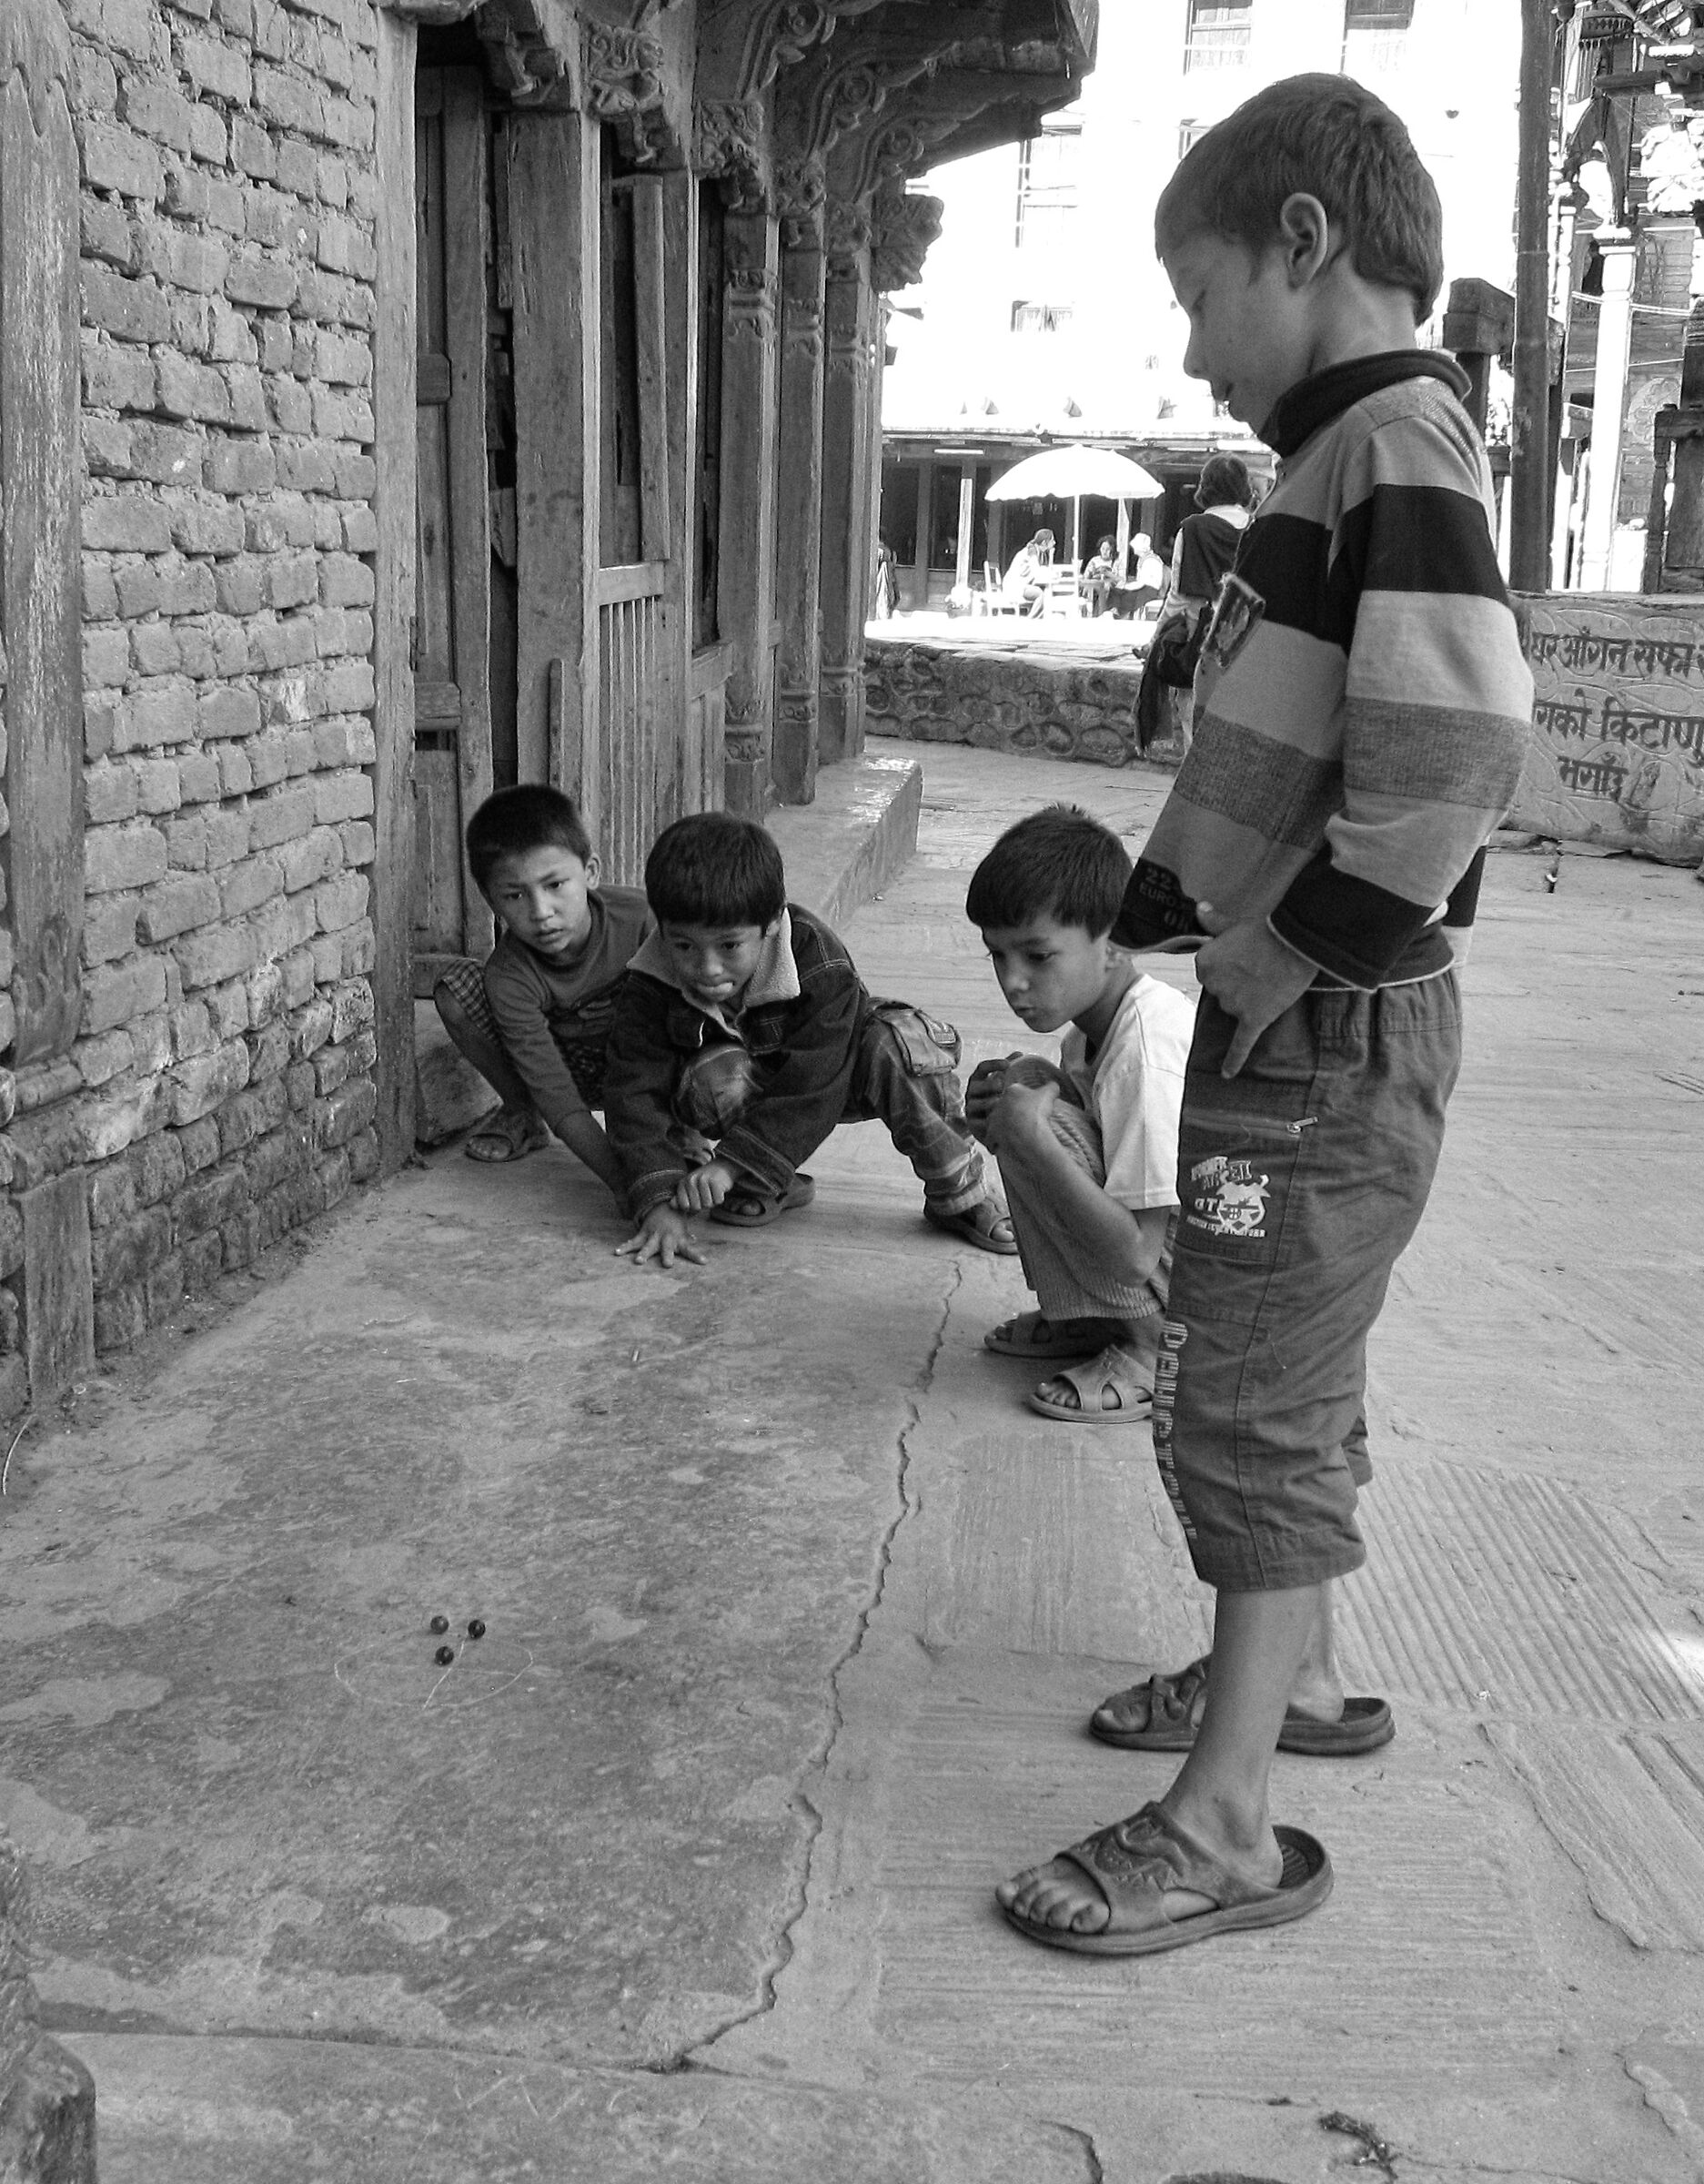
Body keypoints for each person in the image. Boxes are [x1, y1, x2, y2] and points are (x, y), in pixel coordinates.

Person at [997, 73, 1533, 1958]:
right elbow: (1297, 745)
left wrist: (1275, 960)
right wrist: (1167, 907)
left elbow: (1454, 756)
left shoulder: (1393, 441)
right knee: (1287, 1367)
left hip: (1318, 1036)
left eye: (1200, 288)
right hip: (1290, 1024)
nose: (1193, 341)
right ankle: (1289, 1687)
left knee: (1247, 1403)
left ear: (1303, 243)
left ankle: (1226, 1824)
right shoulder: (1350, 452)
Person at [603, 812, 1017, 1269]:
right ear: (662, 929)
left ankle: (959, 1194)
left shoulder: (818, 959)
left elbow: (815, 1082)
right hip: (753, 1083)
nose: (707, 968)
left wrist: (729, 1163)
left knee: (899, 1046)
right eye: (683, 946)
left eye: (729, 947)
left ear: (772, 926)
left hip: (840, 1071)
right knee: (711, 1077)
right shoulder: (649, 979)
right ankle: (766, 1180)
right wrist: (657, 1201)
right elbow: (632, 1092)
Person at [963, 806, 1195, 1425]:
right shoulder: (1088, 1035)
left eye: (1038, 957)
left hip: (1202, 1289)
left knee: (1036, 1120)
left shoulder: (1144, 1051)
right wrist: (1006, 1115)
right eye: (998, 956)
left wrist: (1032, 1140)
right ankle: (1091, 1320)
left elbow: (1134, 1258)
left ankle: (1149, 1348)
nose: (1013, 981)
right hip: (1162, 1258)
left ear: (1114, 942)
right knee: (1024, 1087)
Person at [432, 784, 647, 1199]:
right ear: (490, 899)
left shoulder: (643, 922)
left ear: (591, 873)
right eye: (515, 895)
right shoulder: (510, 976)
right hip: (561, 1066)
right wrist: (624, 1183)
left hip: (643, 1064)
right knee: (455, 991)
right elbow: (557, 1092)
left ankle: (682, 1130)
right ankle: (523, 1114)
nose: (540, 912)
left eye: (555, 885)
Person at [1141, 454, 1259, 755]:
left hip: (1202, 633)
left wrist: (1155, 639)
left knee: (1193, 708)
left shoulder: (1192, 529)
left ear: (1206, 487)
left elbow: (1179, 595)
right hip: (1249, 631)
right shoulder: (1257, 527)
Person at [1002, 527, 1055, 610]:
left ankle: (1037, 618)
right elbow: (1037, 571)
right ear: (1044, 542)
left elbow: (1043, 569)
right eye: (1052, 540)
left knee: (1044, 593)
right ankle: (1033, 619)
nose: (1054, 543)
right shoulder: (1031, 551)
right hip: (1016, 587)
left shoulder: (1038, 552)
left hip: (1022, 585)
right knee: (1041, 594)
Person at [1082, 534, 1120, 615]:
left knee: (1106, 587)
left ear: (1112, 550)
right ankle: (1087, 613)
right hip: (1094, 584)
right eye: (1103, 549)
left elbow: (1120, 579)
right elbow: (1085, 577)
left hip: (1109, 587)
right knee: (1088, 588)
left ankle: (1102, 612)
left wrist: (1107, 573)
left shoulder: (1116, 562)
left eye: (1108, 549)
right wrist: (1091, 572)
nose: (1105, 551)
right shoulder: (1094, 560)